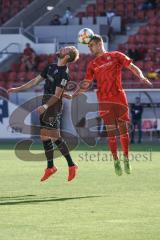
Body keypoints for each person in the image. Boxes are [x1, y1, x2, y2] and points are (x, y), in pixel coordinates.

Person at [65, 34, 152, 176]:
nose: (90, 48)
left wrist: (141, 76)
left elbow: (131, 66)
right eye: (88, 47)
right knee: (111, 132)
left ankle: (126, 158)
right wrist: (74, 94)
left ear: (99, 44)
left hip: (118, 96)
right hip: (104, 100)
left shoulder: (116, 55)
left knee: (123, 129)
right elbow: (86, 84)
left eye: (91, 45)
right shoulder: (92, 64)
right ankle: (116, 160)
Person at [8, 46, 79, 182]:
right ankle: (52, 167)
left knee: (53, 136)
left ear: (67, 56)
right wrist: (18, 89)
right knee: (45, 136)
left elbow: (57, 95)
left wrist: (46, 106)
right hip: (46, 101)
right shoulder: (51, 67)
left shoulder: (64, 74)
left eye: (66, 49)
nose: (63, 49)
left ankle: (70, 165)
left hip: (53, 105)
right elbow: (35, 82)